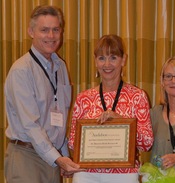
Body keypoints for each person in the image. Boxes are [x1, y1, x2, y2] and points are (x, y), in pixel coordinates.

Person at [4, 5, 81, 183]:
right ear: (31, 31)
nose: (51, 36)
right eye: (44, 30)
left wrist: (64, 156)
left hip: (52, 158)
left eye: (55, 30)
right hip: (26, 157)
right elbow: (30, 125)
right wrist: (58, 158)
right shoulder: (21, 71)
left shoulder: (61, 67)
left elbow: (59, 118)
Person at [68, 34, 154, 183]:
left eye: (113, 57)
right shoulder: (83, 98)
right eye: (101, 58)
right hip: (86, 174)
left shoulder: (137, 96)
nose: (107, 64)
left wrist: (122, 121)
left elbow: (147, 143)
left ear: (123, 59)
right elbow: (72, 142)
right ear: (95, 61)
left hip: (124, 175)